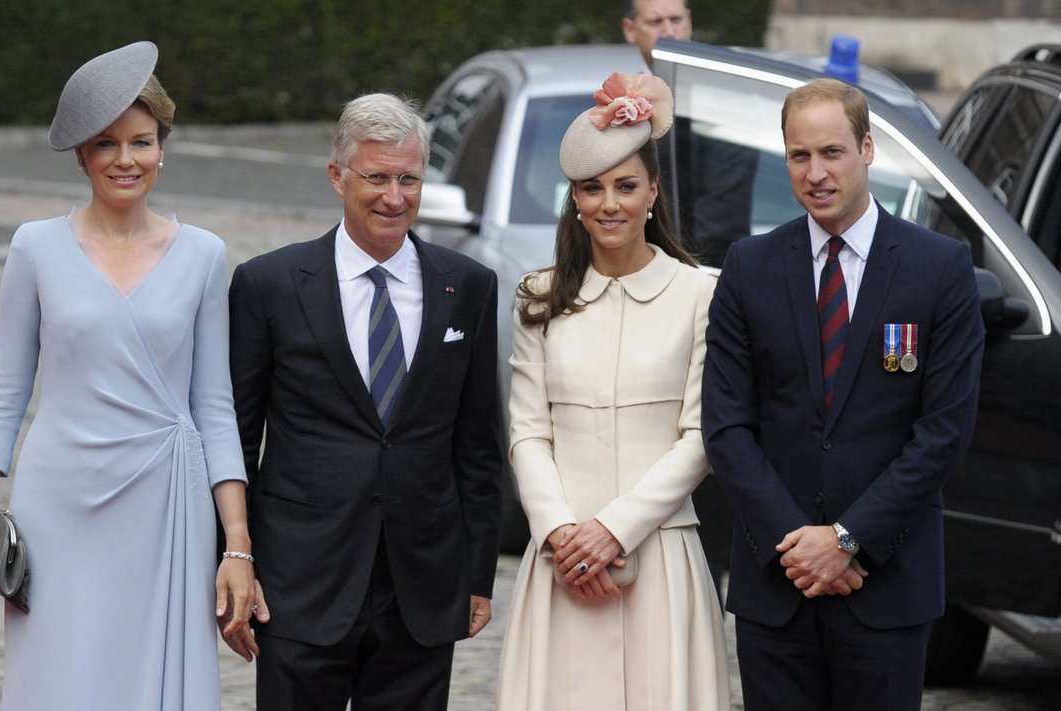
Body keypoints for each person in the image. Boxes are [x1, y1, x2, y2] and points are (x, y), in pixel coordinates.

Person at [0, 42, 259, 709]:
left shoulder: (205, 255)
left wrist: (237, 542)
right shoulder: (35, 248)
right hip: (58, 504)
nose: (127, 160)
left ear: (162, 148)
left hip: (166, 505)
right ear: (83, 155)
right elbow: (6, 392)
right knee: (61, 678)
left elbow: (214, 406)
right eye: (107, 143)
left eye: (142, 141)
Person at [701, 78, 985, 710]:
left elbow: (942, 433)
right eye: (799, 156)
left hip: (885, 586)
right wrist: (797, 544)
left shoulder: (938, 269)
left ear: (868, 149)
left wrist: (849, 539)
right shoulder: (748, 267)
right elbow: (726, 425)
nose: (816, 173)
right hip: (777, 585)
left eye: (832, 153)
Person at [226, 92, 503, 710]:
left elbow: (478, 444)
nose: (394, 197)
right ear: (337, 177)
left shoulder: (468, 287)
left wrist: (476, 575)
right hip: (301, 584)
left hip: (420, 588)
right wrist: (233, 558)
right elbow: (236, 442)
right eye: (376, 177)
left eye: (409, 178)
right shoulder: (268, 286)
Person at [496, 72, 730, 711]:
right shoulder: (538, 298)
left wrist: (615, 530)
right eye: (591, 189)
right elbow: (526, 432)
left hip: (658, 553)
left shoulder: (700, 293)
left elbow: (702, 434)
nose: (609, 204)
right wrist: (562, 536)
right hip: (562, 559)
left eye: (626, 186)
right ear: (573, 198)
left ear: (653, 190)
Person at [622, 0, 757, 268]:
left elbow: (721, 223)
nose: (669, 31)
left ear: (690, 22)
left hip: (705, 275)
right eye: (655, 22)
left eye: (676, 20)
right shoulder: (624, 101)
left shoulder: (722, 107)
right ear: (630, 30)